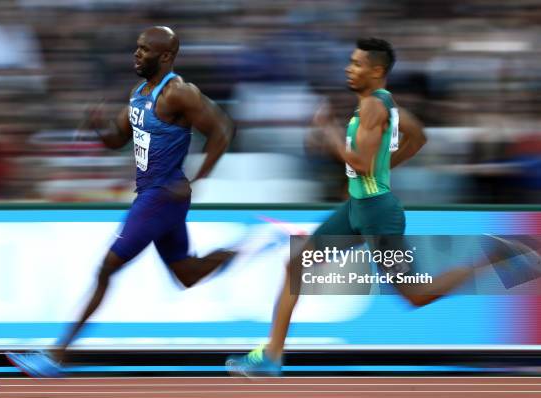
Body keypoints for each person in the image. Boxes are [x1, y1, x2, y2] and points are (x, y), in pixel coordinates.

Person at [226, 37, 541, 377]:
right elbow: (418, 136)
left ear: (376, 71)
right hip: (356, 209)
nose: (349, 68)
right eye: (350, 61)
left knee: (416, 296)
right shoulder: (387, 106)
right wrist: (384, 169)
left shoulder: (374, 109)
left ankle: (492, 256)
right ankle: (272, 356)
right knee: (296, 265)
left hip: (378, 217)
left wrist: (328, 132)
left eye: (357, 64)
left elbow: (361, 164)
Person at [7, 26, 236, 377]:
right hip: (155, 196)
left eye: (145, 49)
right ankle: (244, 251)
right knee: (187, 274)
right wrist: (100, 126)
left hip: (162, 196)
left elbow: (222, 129)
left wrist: (196, 179)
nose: (137, 53)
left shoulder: (179, 93)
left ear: (166, 56)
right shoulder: (140, 92)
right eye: (137, 47)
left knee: (105, 269)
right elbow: (117, 139)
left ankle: (56, 355)